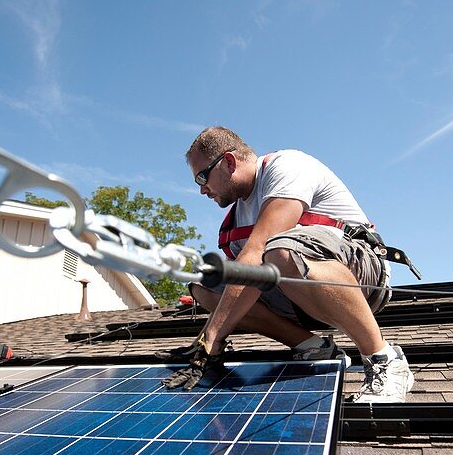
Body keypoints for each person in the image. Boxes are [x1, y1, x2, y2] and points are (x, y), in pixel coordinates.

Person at [165, 126, 413, 402]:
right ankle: (312, 346)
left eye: (202, 177)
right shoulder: (235, 219)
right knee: (206, 286)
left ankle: (384, 360)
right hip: (296, 296)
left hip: (359, 278)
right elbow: (240, 283)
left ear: (229, 162)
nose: (202, 190)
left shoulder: (287, 167)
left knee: (278, 252)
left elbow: (257, 254)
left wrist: (212, 339)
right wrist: (203, 344)